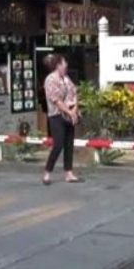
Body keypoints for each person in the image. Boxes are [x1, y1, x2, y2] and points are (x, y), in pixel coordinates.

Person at [42, 54, 83, 185]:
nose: (66, 65)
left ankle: (69, 172)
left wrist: (75, 109)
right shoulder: (50, 80)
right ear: (58, 65)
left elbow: (74, 92)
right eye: (64, 63)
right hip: (56, 116)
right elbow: (56, 100)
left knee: (69, 144)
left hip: (70, 114)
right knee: (58, 144)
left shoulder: (66, 79)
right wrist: (69, 112)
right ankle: (47, 172)